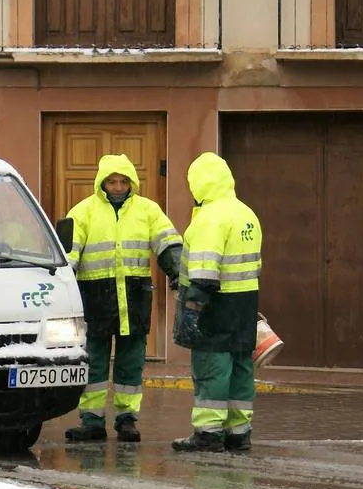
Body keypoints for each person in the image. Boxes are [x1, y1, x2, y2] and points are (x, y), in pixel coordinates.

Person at [64, 154, 182, 443]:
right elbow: (69, 253)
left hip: (133, 298)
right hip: (94, 298)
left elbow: (168, 243)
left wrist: (177, 271)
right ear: (101, 183)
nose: (117, 187)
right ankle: (91, 420)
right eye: (112, 182)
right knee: (94, 360)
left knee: (131, 360)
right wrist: (62, 283)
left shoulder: (148, 210)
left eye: (123, 181)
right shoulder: (83, 211)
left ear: (132, 182)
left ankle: (127, 419)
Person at [171, 151, 263, 453]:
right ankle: (239, 431)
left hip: (214, 305)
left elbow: (205, 273)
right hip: (244, 304)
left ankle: (208, 432)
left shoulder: (210, 219)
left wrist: (192, 310)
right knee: (240, 368)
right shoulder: (247, 214)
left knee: (212, 367)